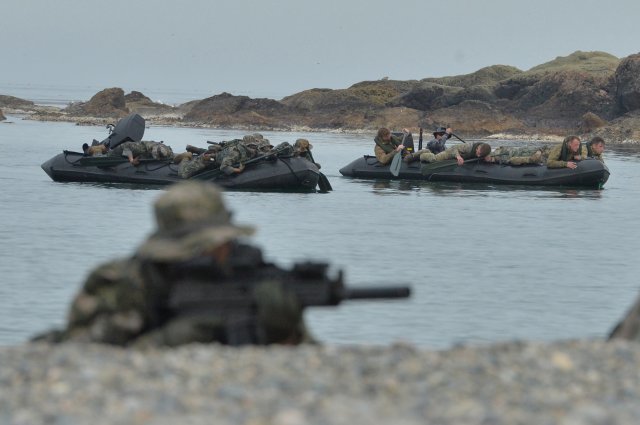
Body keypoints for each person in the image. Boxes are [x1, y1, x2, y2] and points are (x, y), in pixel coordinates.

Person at [34, 181, 314, 347]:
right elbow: (78, 352)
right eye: (203, 245)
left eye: (221, 243)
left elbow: (309, 357)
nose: (220, 250)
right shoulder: (125, 281)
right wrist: (175, 338)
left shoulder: (250, 277)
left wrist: (283, 328)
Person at [419, 141, 492, 165]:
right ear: (477, 148)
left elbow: (491, 155)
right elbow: (454, 148)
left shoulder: (486, 151)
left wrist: (490, 159)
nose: (478, 156)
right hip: (451, 153)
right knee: (434, 159)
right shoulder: (468, 147)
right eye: (478, 153)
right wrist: (458, 156)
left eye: (480, 155)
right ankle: (423, 154)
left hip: (462, 158)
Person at [107, 140, 174, 165]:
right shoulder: (139, 147)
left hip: (138, 153)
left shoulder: (166, 149)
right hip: (121, 150)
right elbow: (126, 147)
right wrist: (131, 160)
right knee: (110, 155)